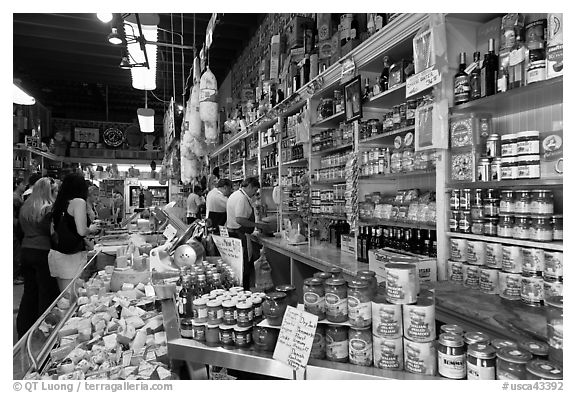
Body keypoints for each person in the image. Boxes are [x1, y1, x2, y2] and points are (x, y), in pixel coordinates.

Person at [16, 177, 60, 338]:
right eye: (55, 191)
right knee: (46, 293)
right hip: (42, 252)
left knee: (29, 292)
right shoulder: (48, 209)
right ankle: (44, 332)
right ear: (50, 191)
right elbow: (53, 234)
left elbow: (19, 231)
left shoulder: (26, 207)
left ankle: (23, 330)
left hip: (26, 251)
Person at [48, 173, 99, 291]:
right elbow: (81, 231)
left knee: (63, 298)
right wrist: (90, 229)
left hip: (56, 254)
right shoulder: (78, 202)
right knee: (72, 296)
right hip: (71, 257)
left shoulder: (60, 202)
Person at [226, 177, 269, 290]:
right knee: (243, 266)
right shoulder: (241, 198)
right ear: (249, 186)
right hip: (240, 235)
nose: (255, 194)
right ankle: (244, 291)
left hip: (233, 234)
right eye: (254, 190)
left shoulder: (236, 195)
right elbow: (240, 219)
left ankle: (240, 289)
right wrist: (257, 225)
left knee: (238, 266)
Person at [13, 178, 27, 285]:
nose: (24, 185)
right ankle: (14, 276)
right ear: (18, 184)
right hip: (16, 230)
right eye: (23, 184)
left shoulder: (18, 197)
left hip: (18, 229)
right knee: (16, 253)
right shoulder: (15, 198)